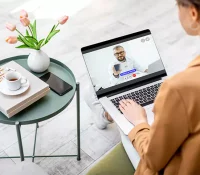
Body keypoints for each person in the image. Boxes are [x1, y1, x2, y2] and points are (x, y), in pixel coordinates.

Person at [84, 0, 200, 174]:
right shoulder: (113, 65)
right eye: (117, 53)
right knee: (96, 91)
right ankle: (107, 114)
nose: (120, 55)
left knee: (125, 125)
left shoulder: (179, 89)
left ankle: (106, 115)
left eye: (178, 4)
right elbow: (114, 77)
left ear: (193, 14)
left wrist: (139, 122)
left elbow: (153, 160)